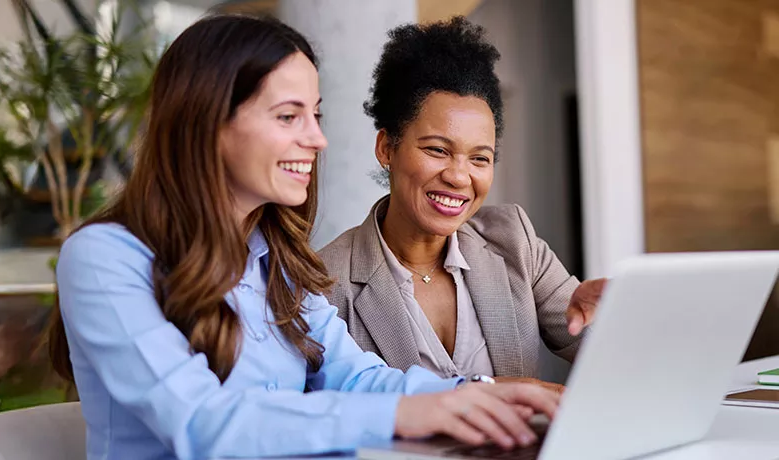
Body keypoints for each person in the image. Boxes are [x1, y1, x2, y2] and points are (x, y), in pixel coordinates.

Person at [46, 15, 561, 460]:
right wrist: (405, 413)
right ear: (207, 122)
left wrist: (478, 394)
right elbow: (201, 423)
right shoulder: (103, 257)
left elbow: (357, 377)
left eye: (315, 116)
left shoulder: (280, 264)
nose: (316, 138)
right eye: (289, 116)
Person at [318, 17, 607, 390]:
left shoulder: (515, 244)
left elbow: (611, 355)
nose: (459, 176)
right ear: (386, 148)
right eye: (438, 150)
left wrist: (612, 321)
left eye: (480, 158)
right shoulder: (326, 283)